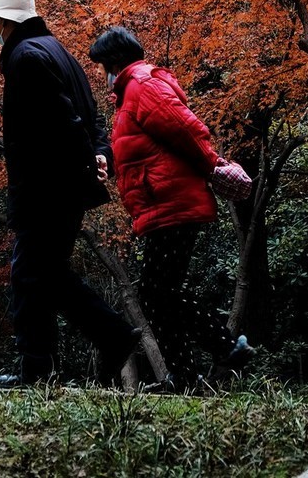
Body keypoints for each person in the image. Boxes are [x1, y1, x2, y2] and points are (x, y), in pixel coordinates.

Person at [0, 0, 139, 389]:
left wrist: (89, 157)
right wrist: (100, 154)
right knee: (47, 275)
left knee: (30, 275)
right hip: (65, 185)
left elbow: (63, 120)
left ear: (3, 21)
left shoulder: (26, 57)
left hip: (46, 187)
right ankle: (102, 341)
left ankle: (41, 367)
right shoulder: (58, 53)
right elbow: (90, 114)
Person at [88, 25, 250, 387]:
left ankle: (224, 346)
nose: (102, 75)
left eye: (102, 66)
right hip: (161, 201)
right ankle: (184, 375)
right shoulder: (131, 91)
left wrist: (212, 165)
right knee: (158, 292)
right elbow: (140, 147)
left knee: (157, 291)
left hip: (173, 200)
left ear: (114, 60)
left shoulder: (143, 85)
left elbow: (185, 128)